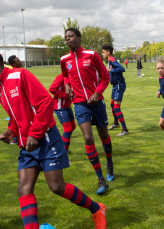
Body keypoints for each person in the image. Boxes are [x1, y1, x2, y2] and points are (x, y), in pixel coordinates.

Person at [0, 50, 107, 229]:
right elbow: (16, 118)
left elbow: (45, 102)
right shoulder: (0, 91)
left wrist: (35, 133)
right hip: (27, 146)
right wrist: (10, 132)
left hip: (45, 138)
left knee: (56, 187)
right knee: (24, 188)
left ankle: (97, 209)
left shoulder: (20, 75)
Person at [60, 28, 114, 194]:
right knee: (88, 137)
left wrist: (97, 93)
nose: (68, 39)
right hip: (79, 103)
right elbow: (65, 75)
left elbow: (105, 77)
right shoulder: (64, 59)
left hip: (97, 102)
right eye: (66, 37)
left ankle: (109, 162)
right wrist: (67, 84)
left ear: (79, 38)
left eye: (71, 36)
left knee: (103, 135)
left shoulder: (91, 55)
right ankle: (100, 179)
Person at [102, 44, 129, 136]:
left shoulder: (112, 60)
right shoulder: (109, 61)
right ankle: (116, 123)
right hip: (115, 85)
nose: (102, 54)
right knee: (112, 105)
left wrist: (110, 71)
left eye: (103, 52)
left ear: (108, 52)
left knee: (117, 107)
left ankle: (125, 129)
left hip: (119, 85)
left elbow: (121, 69)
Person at [49, 73, 76, 153]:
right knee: (68, 129)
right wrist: (65, 95)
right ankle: (63, 150)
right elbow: (52, 89)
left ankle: (61, 146)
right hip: (60, 106)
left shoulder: (73, 75)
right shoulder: (61, 76)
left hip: (67, 106)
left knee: (73, 127)